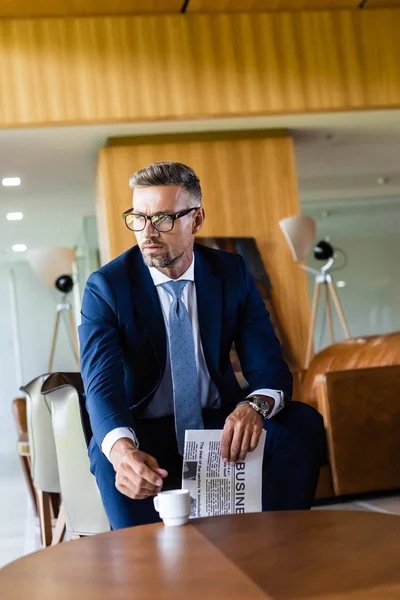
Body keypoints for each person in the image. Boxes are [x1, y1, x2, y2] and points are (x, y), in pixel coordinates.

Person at [79, 161, 325, 530]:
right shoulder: (106, 287)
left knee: (301, 423)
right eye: (138, 217)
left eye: (163, 218)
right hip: (145, 432)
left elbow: (269, 366)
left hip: (219, 428)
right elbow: (101, 385)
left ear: (196, 220)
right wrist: (121, 451)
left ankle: (282, 543)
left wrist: (252, 407)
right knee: (109, 459)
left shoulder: (232, 273)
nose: (148, 232)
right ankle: (148, 575)